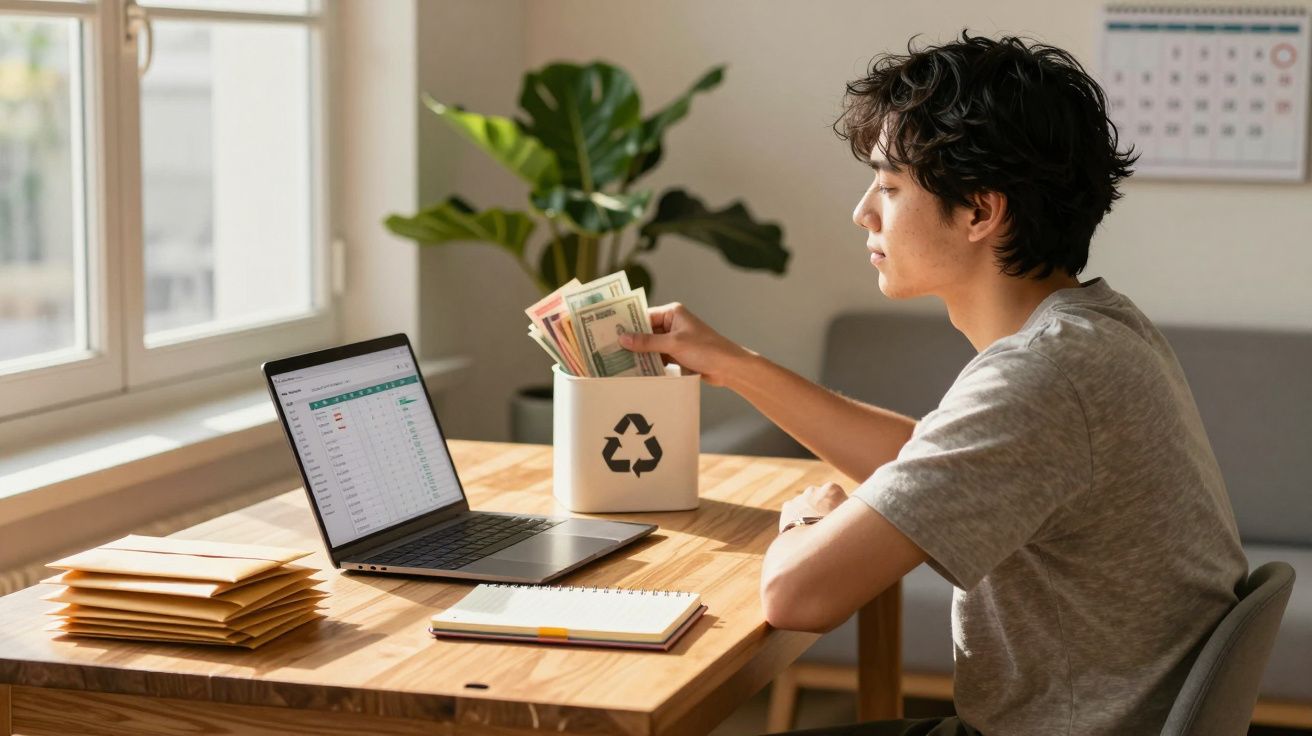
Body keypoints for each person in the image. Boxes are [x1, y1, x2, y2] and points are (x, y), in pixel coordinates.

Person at [618, 32, 1248, 736]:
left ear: (981, 211)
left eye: (889, 187)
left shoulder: (1042, 376)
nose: (864, 212)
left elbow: (797, 595)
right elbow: (929, 458)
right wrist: (736, 364)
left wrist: (811, 518)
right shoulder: (1098, 329)